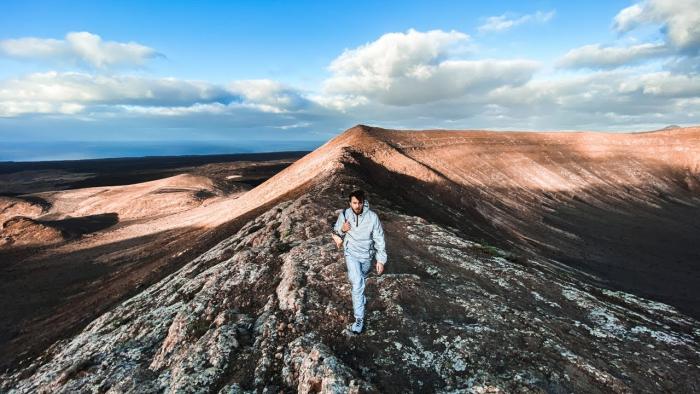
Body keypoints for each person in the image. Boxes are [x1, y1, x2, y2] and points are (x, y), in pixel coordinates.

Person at [332, 189, 387, 334]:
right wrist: (343, 229)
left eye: (359, 203)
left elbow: (379, 239)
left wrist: (380, 260)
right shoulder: (344, 215)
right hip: (351, 253)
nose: (357, 206)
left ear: (364, 203)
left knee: (360, 278)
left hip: (367, 256)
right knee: (357, 283)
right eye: (354, 203)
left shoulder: (372, 217)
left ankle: (360, 297)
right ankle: (359, 319)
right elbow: (336, 232)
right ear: (350, 203)